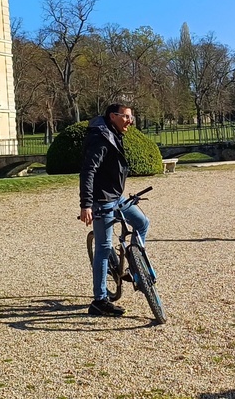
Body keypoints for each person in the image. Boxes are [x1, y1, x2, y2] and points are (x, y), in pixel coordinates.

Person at [79, 103, 149, 317]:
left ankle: (134, 266)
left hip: (116, 197)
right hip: (102, 201)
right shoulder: (100, 138)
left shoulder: (114, 134)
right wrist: (86, 204)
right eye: (126, 117)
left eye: (131, 117)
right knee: (103, 247)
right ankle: (99, 301)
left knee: (142, 223)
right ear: (113, 116)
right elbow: (88, 171)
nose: (130, 121)